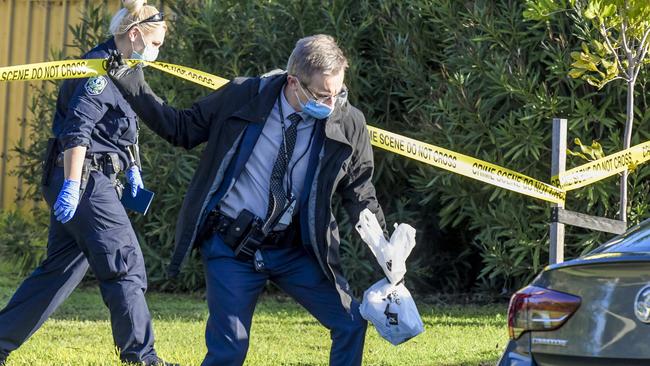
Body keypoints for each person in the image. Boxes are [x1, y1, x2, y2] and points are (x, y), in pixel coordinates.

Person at [107, 34, 386, 366]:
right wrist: (130, 80)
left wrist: (385, 248)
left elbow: (359, 191)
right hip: (231, 248)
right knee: (229, 351)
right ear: (293, 81)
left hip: (294, 249)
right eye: (322, 95)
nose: (330, 104)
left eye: (338, 94)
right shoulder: (243, 95)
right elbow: (181, 128)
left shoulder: (347, 121)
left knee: (351, 324)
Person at [0, 1, 177, 365]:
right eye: (156, 43)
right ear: (134, 35)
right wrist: (72, 184)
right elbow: (77, 130)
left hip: (94, 179)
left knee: (58, 272)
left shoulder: (125, 69)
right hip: (84, 180)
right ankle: (142, 359)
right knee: (125, 265)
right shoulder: (98, 71)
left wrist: (132, 169)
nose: (158, 51)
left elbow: (121, 130)